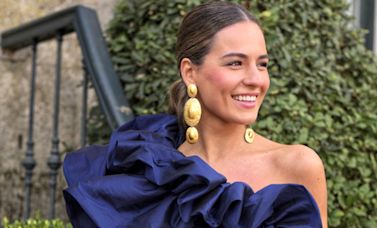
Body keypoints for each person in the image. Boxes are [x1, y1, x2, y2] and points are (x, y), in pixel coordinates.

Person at [63, 1, 327, 227]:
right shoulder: (151, 164)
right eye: (235, 63)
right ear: (190, 72)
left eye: (262, 64)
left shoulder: (297, 165)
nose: (256, 79)